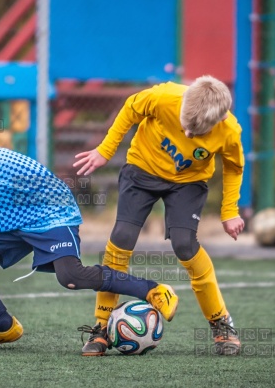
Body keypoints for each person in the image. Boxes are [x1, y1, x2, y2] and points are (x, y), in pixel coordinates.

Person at [0, 145, 179, 351]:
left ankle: (153, 290)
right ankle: (1, 326)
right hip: (12, 223)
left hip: (49, 210)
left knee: (71, 276)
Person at [73, 75, 245, 356]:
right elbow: (130, 107)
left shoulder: (229, 131)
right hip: (142, 169)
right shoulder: (165, 97)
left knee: (185, 245)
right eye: (184, 125)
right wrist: (105, 151)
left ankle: (221, 324)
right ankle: (101, 327)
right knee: (122, 237)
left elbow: (234, 167)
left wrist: (229, 212)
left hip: (188, 182)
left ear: (218, 121)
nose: (188, 135)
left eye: (196, 132)